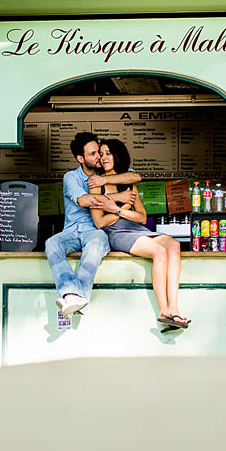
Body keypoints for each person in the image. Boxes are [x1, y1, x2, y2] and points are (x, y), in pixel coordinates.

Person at [91, 138, 190, 329]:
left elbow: (142, 217)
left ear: (117, 155)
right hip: (116, 233)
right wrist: (119, 209)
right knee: (159, 252)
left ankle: (174, 307)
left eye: (108, 153)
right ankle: (164, 312)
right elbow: (99, 222)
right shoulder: (96, 185)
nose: (103, 157)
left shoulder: (129, 184)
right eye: (101, 154)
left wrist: (119, 209)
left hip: (138, 229)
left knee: (173, 245)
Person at [44, 133, 140, 318]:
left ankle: (72, 297)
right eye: (93, 154)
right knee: (52, 243)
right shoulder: (70, 177)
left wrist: (105, 180)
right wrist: (117, 197)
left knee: (96, 244)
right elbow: (83, 200)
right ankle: (74, 295)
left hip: (95, 230)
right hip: (71, 232)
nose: (99, 157)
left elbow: (134, 176)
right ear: (80, 158)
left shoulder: (107, 172)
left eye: (99, 152)